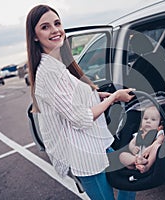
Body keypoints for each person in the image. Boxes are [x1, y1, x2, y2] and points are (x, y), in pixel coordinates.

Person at [26, 4, 136, 200]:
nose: (55, 30)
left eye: (57, 23)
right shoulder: (48, 72)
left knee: (132, 177)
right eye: (45, 27)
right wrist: (114, 97)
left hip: (99, 145)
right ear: (34, 36)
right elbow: (80, 118)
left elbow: (74, 100)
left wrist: (99, 96)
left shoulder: (62, 64)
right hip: (85, 156)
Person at [119, 106, 165, 173]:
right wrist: (133, 148)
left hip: (149, 159)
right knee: (122, 155)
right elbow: (131, 143)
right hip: (137, 157)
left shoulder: (158, 133)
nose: (148, 121)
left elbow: (161, 139)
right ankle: (136, 162)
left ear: (159, 125)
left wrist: (150, 148)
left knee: (157, 146)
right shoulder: (138, 134)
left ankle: (147, 167)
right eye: (145, 119)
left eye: (153, 120)